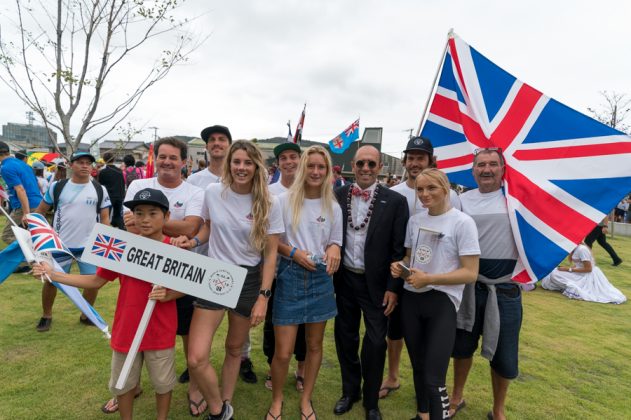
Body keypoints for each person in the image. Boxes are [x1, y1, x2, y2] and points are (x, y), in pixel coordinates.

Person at [32, 188, 183, 420]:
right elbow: (95, 280)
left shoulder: (176, 251)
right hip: (127, 327)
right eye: (139, 213)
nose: (145, 219)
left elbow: (188, 287)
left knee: (163, 383)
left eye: (153, 213)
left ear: (167, 216)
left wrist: (170, 294)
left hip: (160, 329)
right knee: (123, 384)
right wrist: (55, 275)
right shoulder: (122, 247)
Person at [178, 140, 282, 420]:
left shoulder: (270, 201)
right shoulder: (213, 192)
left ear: (257, 166)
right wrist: (193, 241)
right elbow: (209, 227)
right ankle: (218, 409)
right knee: (197, 357)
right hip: (216, 274)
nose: (241, 167)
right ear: (228, 164)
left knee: (235, 348)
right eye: (236, 162)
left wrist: (263, 296)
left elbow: (271, 255)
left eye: (248, 162)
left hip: (248, 279)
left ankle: (226, 400)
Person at [120, 137, 205, 416]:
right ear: (155, 158)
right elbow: (130, 227)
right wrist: (166, 225)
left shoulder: (194, 192)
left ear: (184, 162)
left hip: (177, 274)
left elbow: (191, 229)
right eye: (162, 157)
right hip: (141, 273)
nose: (167, 162)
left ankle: (193, 388)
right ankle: (128, 389)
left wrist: (150, 221)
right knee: (134, 330)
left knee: (184, 334)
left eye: (173, 158)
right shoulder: (138, 185)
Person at [391, 168, 480, 420]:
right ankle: (423, 415)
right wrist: (401, 266)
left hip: (441, 301)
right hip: (411, 298)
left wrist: (430, 279)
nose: (424, 194)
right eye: (420, 189)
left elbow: (471, 272)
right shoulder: (415, 220)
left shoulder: (462, 222)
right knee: (418, 367)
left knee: (434, 375)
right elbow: (411, 256)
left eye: (431, 188)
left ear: (445, 189)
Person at [381, 136, 461, 400]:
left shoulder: (453, 199)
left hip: (437, 284)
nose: (415, 163)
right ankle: (393, 376)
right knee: (395, 330)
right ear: (405, 162)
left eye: (420, 158)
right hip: (403, 276)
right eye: (411, 158)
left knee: (432, 339)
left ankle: (430, 388)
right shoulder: (395, 193)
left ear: (430, 161)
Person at [332, 145, 408, 420]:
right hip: (344, 281)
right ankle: (350, 391)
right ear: (353, 165)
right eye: (361, 163)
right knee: (345, 338)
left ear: (380, 168)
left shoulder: (396, 202)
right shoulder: (337, 195)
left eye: (371, 164)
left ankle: (371, 400)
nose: (365, 169)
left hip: (377, 285)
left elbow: (399, 250)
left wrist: (392, 287)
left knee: (376, 342)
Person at [266, 145, 342, 420]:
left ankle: (306, 400)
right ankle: (277, 400)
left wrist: (335, 248)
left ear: (327, 171)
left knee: (314, 346)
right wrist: (295, 253)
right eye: (310, 165)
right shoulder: (282, 201)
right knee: (283, 352)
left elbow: (335, 242)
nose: (315, 171)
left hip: (321, 280)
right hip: (289, 276)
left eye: (321, 167)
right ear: (302, 168)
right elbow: (272, 242)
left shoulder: (332, 206)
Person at [450, 148, 522, 420]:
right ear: (473, 170)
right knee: (462, 346)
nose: (487, 169)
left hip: (505, 290)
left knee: (504, 355)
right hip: (470, 287)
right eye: (481, 165)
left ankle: (498, 409)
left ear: (503, 169)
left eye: (493, 164)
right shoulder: (461, 201)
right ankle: (457, 397)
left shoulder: (516, 200)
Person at [33, 152, 111, 332]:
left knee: (93, 282)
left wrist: (104, 242)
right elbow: (41, 211)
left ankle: (86, 315)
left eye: (88, 163)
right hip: (59, 245)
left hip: (89, 246)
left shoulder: (100, 189)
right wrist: (34, 226)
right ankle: (46, 316)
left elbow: (105, 219)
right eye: (80, 162)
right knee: (50, 281)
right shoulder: (57, 187)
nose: (85, 166)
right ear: (71, 165)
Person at [263, 141, 307, 392]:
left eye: (293, 157)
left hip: (304, 270)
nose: (289, 162)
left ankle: (301, 369)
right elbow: (266, 236)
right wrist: (290, 252)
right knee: (274, 322)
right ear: (277, 164)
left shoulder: (310, 190)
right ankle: (273, 366)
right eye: (284, 158)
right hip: (277, 269)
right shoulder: (269, 193)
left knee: (303, 323)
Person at [541, 242, 626, 304]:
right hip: (580, 273)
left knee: (554, 274)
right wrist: (566, 269)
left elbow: (588, 269)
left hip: (586, 275)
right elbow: (579, 265)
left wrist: (569, 269)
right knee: (554, 271)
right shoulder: (575, 249)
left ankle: (572, 286)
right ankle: (567, 285)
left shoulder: (582, 250)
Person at [0, 141, 42, 244]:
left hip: (25, 205)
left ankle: (32, 252)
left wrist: (26, 213)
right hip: (38, 203)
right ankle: (35, 254)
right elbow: (37, 184)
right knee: (29, 233)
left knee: (7, 235)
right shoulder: (24, 164)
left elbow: (20, 189)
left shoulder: (5, 167)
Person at [98, 152, 126, 229]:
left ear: (104, 160)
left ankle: (105, 231)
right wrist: (122, 195)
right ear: (113, 159)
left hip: (107, 197)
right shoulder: (119, 171)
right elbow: (122, 183)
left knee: (105, 217)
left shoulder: (102, 172)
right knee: (118, 215)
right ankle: (120, 231)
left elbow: (100, 185)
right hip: (119, 196)